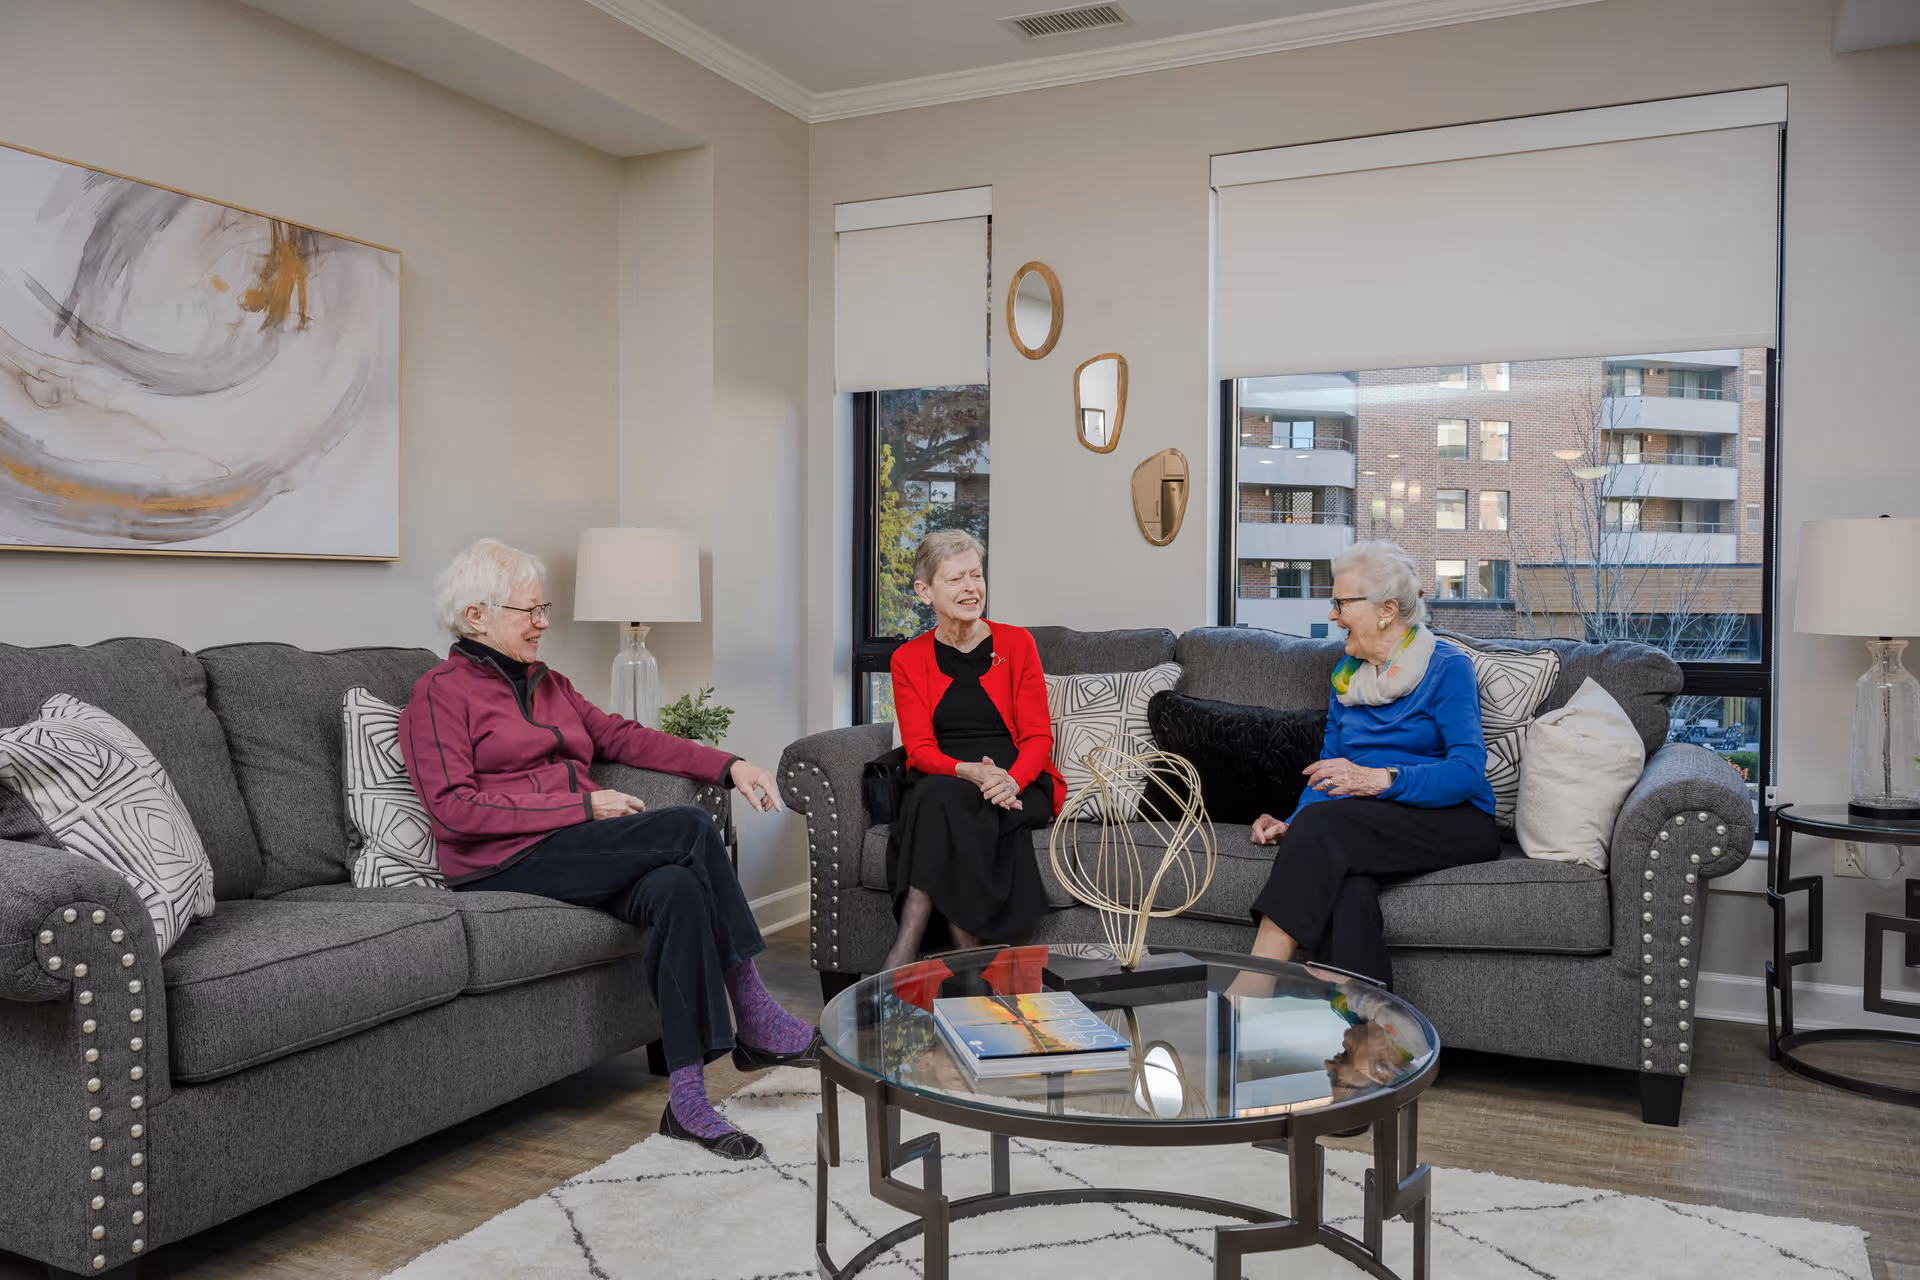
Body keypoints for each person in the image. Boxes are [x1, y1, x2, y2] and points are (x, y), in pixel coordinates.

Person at [399, 537, 814, 1161]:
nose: (543, 622)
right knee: (690, 829)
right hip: (500, 861)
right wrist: (582, 807)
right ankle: (755, 1016)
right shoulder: (438, 694)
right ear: (476, 616)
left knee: (677, 890)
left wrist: (729, 765)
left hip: (573, 846)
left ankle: (687, 1101)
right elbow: (454, 810)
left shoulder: (550, 684)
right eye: (529, 611)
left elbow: (624, 737)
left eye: (543, 608)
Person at [1244, 540, 1499, 988]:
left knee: (1324, 835)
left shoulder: (1447, 666)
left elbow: (1466, 772)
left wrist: (1381, 780)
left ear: (1386, 610)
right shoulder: (1347, 679)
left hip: (1456, 818)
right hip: (1369, 821)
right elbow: (1329, 771)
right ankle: (1368, 1023)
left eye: (1341, 603)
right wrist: (1292, 824)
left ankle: (1252, 987)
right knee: (1346, 883)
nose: (1332, 615)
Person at [880, 530, 1066, 971]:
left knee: (932, 802)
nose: (971, 588)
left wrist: (1010, 780)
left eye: (976, 575)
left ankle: (909, 944)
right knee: (935, 795)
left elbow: (1038, 737)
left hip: (1018, 781)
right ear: (924, 591)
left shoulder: (1017, 644)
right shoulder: (907, 659)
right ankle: (968, 950)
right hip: (949, 775)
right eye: (955, 579)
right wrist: (969, 771)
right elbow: (919, 749)